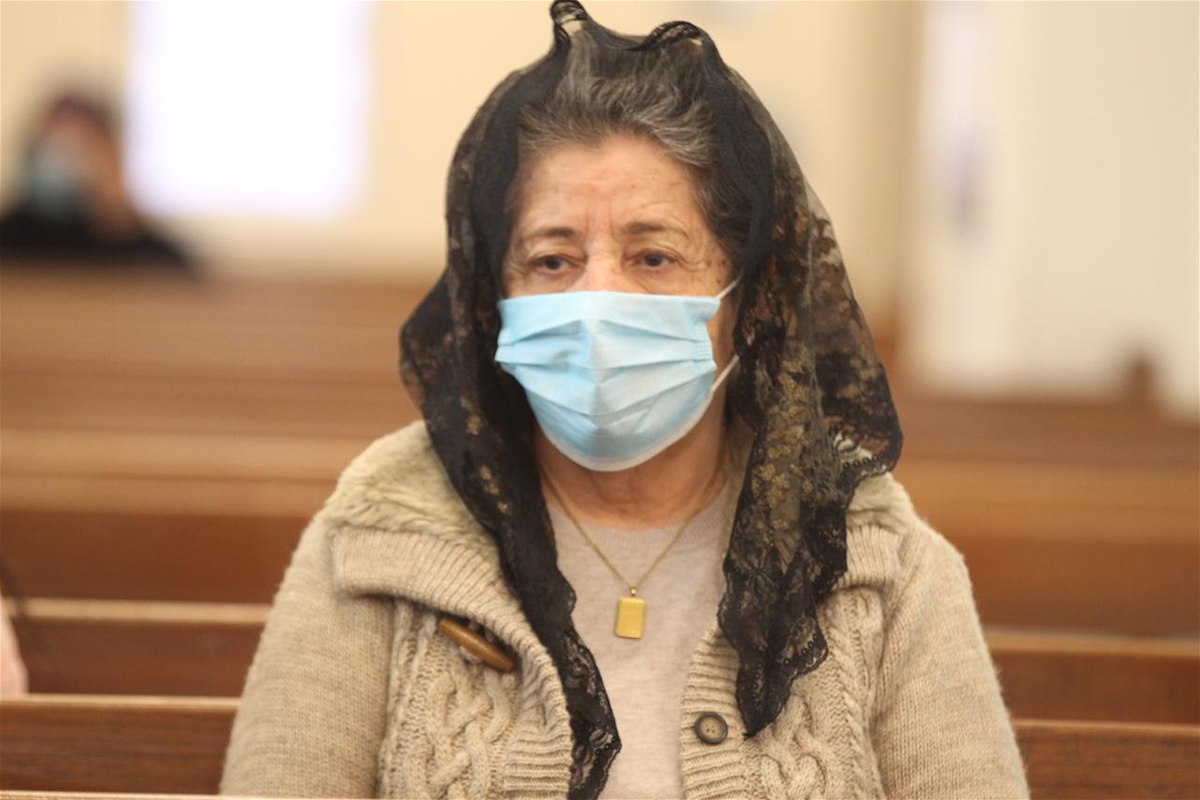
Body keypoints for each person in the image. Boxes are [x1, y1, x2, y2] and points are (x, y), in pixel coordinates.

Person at [220, 3, 1029, 798]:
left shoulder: (884, 567)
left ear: (749, 305)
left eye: (653, 257)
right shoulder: (375, 544)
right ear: (493, 300)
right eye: (552, 260)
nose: (597, 298)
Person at [0, 90, 193, 269]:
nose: (59, 163)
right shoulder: (9, 241)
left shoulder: (152, 259)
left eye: (76, 149)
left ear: (110, 157)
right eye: (53, 149)